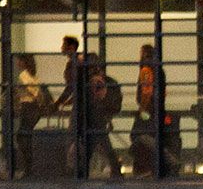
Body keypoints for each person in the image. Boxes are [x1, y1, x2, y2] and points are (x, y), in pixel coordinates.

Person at [59, 38, 122, 179]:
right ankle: (114, 168)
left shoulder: (94, 81)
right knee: (99, 144)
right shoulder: (103, 81)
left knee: (91, 144)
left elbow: (87, 96)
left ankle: (79, 172)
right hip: (94, 118)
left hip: (91, 118)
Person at [134, 42, 175, 178]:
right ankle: (161, 164)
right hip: (158, 108)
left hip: (149, 110)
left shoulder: (146, 69)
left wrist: (142, 109)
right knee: (151, 136)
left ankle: (164, 161)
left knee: (139, 135)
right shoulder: (159, 69)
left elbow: (147, 91)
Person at [9, 55, 54, 177]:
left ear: (24, 62)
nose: (17, 62)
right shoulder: (34, 75)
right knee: (25, 137)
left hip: (28, 107)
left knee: (23, 138)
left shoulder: (23, 75)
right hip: (34, 109)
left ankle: (29, 169)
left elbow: (34, 92)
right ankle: (29, 168)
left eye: (19, 60)